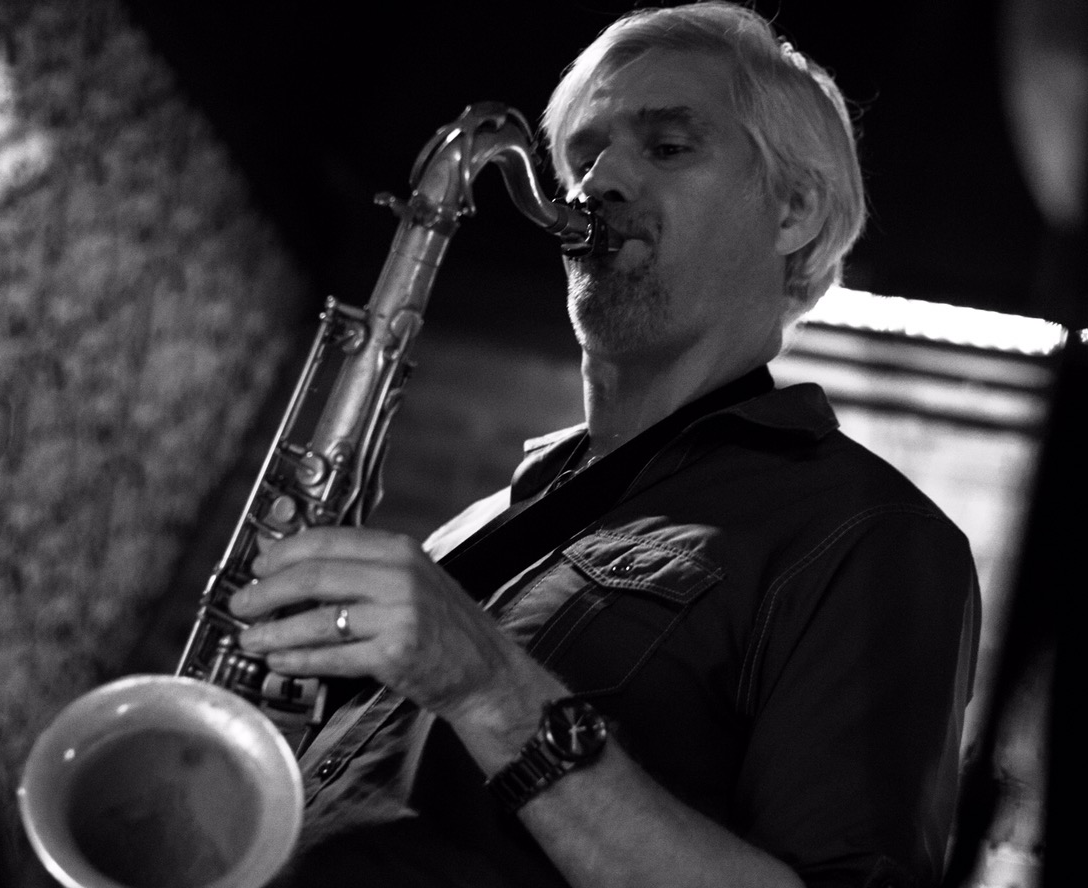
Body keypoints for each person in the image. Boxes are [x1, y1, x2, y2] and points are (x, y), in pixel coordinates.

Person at [230, 3, 981, 886]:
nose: (598, 183)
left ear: (794, 211)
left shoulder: (869, 535)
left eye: (668, 147)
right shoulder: (482, 524)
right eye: (584, 157)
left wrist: (492, 689)